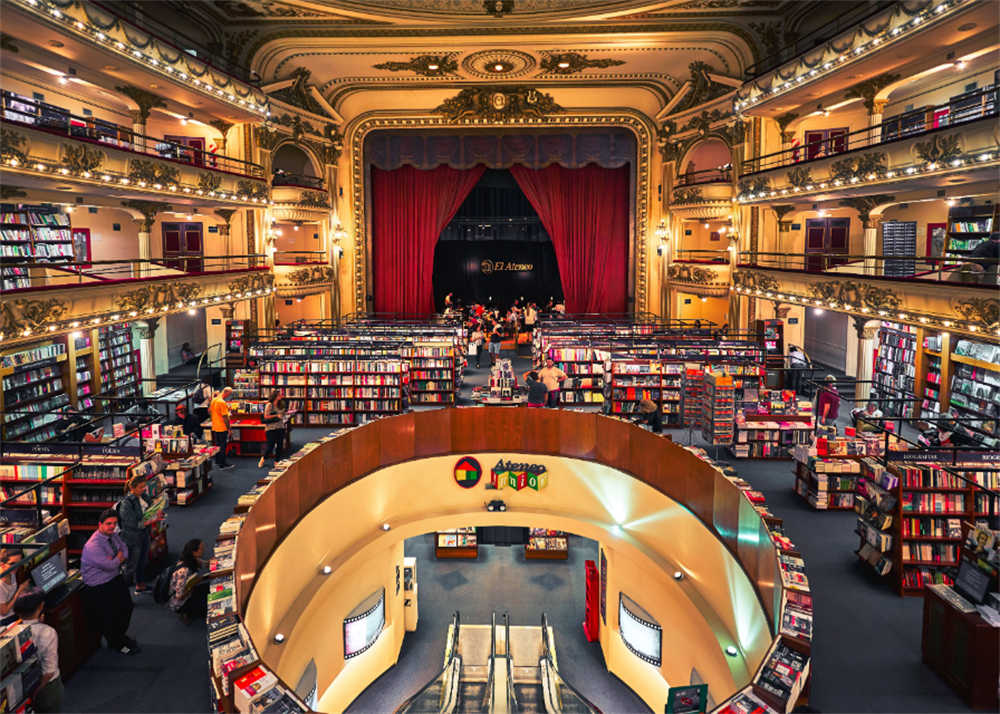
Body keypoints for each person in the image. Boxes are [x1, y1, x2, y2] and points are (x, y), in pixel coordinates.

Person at [80, 509, 138, 655]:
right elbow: (110, 565)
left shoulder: (113, 536)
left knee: (127, 607)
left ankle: (120, 636)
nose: (112, 526)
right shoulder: (93, 545)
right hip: (99, 586)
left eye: (114, 523)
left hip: (114, 578)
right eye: (108, 524)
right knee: (111, 615)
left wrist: (116, 558)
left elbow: (124, 549)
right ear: (100, 524)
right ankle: (116, 643)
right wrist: (118, 559)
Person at [13, 589, 62, 712]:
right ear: (41, 607)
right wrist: (37, 690)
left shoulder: (13, 632)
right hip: (48, 687)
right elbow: (49, 671)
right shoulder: (48, 632)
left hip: (23, 688)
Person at [118, 475, 151, 594]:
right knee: (131, 565)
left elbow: (149, 509)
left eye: (144, 486)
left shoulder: (144, 497)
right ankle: (123, 592)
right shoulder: (126, 504)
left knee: (142, 560)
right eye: (141, 487)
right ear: (132, 488)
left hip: (144, 534)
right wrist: (150, 521)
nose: (144, 489)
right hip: (132, 538)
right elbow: (133, 524)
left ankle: (140, 585)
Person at [169, 539, 210, 624]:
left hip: (189, 589)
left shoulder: (192, 559)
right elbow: (179, 596)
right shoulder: (184, 571)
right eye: (201, 549)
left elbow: (206, 564)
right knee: (206, 606)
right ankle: (186, 612)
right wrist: (191, 586)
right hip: (180, 602)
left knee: (208, 587)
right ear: (194, 552)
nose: (203, 551)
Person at [258, 392, 287, 469]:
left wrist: (284, 414)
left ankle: (276, 461)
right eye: (279, 395)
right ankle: (263, 458)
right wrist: (277, 415)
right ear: (275, 396)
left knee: (280, 445)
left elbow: (283, 413)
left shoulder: (281, 404)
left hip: (280, 426)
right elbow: (266, 416)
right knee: (270, 446)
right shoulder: (269, 405)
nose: (281, 396)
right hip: (271, 428)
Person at [210, 387, 235, 470]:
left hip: (215, 426)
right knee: (223, 446)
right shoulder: (222, 402)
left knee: (217, 445)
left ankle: (217, 461)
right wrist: (229, 429)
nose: (229, 396)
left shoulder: (214, 400)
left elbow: (209, 411)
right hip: (222, 427)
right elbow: (225, 417)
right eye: (230, 394)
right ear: (226, 392)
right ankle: (222, 464)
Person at [0, 551, 28, 620]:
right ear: (2, 564)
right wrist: (19, 591)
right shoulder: (0, 584)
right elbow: (4, 612)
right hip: (6, 619)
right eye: (12, 564)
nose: (17, 567)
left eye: (19, 563)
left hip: (14, 610)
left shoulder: (11, 571)